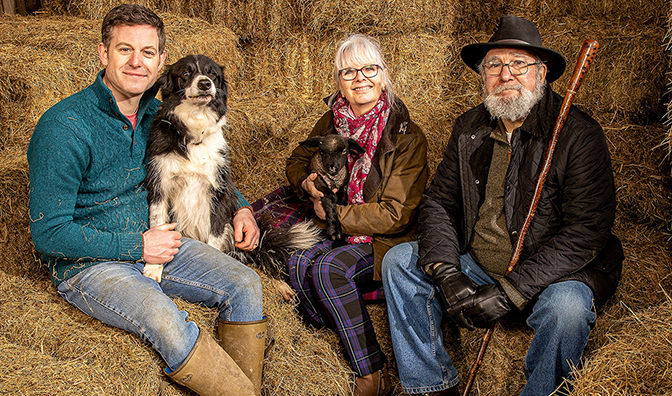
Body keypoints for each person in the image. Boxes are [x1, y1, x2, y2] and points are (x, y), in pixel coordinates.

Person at [27, 5, 267, 396]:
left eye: (148, 52)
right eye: (125, 50)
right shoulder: (64, 126)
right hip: (92, 263)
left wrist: (240, 206)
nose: (137, 62)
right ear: (103, 54)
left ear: (160, 63)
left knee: (245, 282)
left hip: (162, 245)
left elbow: (203, 164)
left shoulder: (163, 112)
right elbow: (49, 234)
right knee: (164, 317)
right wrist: (137, 246)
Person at [381, 15, 624, 396]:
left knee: (569, 310)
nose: (505, 74)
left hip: (550, 275)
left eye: (519, 64)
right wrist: (447, 271)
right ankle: (431, 386)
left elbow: (586, 231)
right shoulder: (469, 128)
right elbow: (439, 203)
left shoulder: (578, 135)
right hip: (477, 266)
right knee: (399, 263)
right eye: (494, 65)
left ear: (541, 74)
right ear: (483, 75)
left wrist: (510, 291)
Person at [277, 34, 429, 396]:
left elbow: (395, 214)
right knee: (297, 264)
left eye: (369, 69)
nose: (360, 78)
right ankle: (333, 344)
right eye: (349, 72)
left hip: (383, 239)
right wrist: (309, 185)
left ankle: (372, 374)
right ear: (338, 82)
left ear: (384, 75)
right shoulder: (331, 122)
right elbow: (297, 160)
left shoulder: (407, 136)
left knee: (329, 270)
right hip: (335, 226)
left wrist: (334, 213)